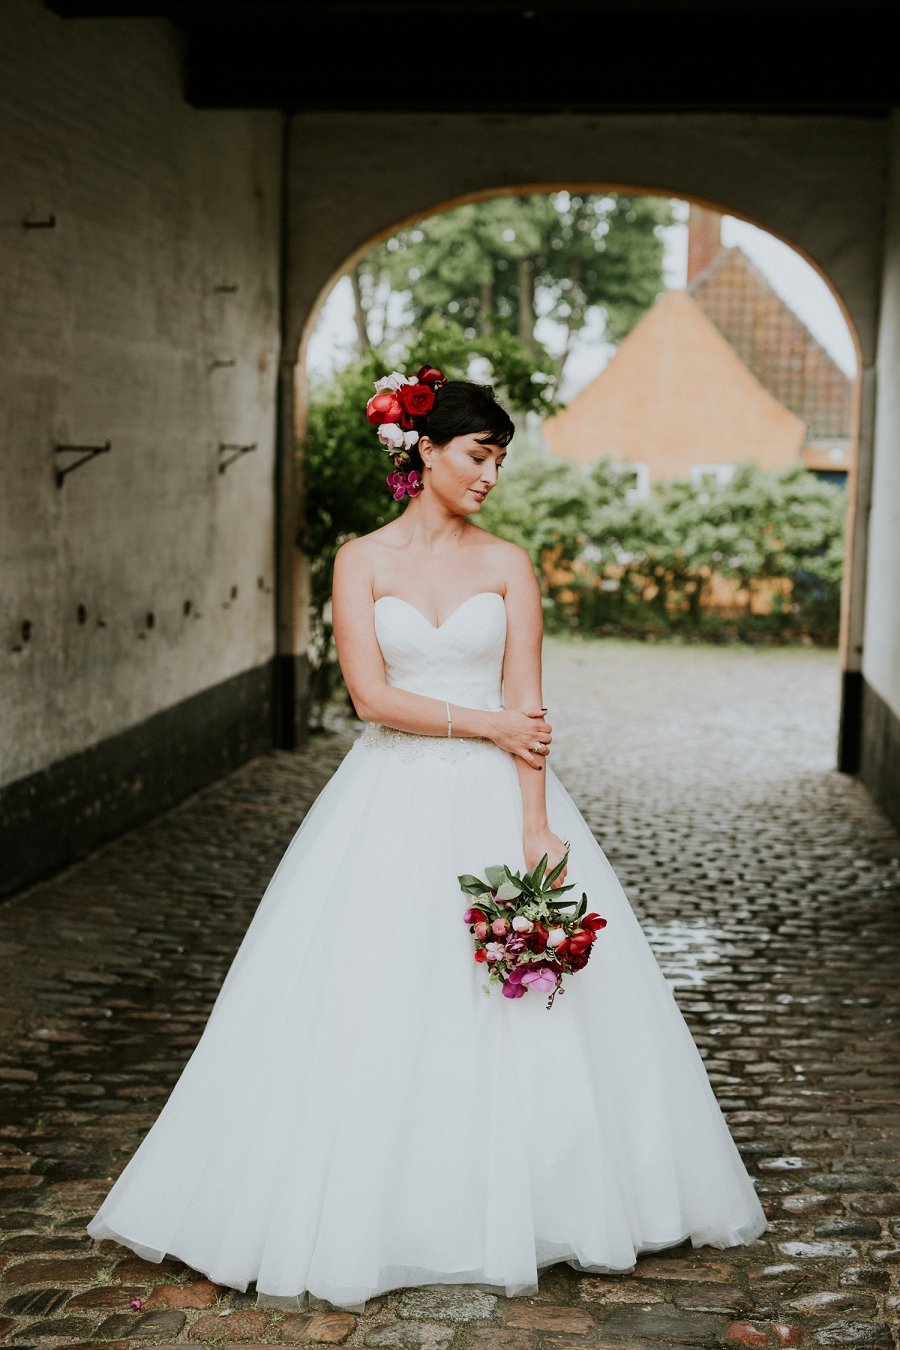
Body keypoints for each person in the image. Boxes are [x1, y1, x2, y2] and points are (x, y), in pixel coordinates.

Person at [86, 364, 767, 1313]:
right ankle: (372, 1206)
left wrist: (536, 829)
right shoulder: (360, 561)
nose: (490, 473)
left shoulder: (507, 564)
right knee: (372, 992)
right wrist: (485, 727)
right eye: (478, 454)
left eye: (498, 458)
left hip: (498, 801)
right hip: (389, 800)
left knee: (517, 1005)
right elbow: (371, 697)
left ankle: (534, 1200)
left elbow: (528, 706)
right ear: (424, 451)